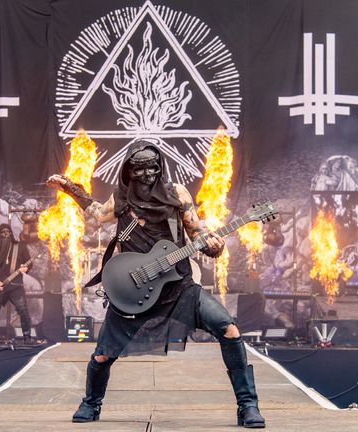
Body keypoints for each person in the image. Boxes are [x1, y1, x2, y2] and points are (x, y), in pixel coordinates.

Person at [46, 139, 266, 428]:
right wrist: (70, 188)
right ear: (128, 170)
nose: (146, 176)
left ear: (159, 167)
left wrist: (213, 246)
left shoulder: (177, 194)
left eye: (151, 169)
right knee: (101, 356)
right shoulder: (121, 199)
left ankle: (247, 406)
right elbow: (97, 214)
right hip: (134, 289)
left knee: (229, 329)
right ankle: (91, 403)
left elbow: (196, 231)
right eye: (139, 170)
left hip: (178, 287)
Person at [0, 223, 33, 344]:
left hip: (15, 286)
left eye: (7, 232)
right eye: (2, 233)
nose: (5, 235)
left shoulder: (20, 247)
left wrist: (25, 268)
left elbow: (29, 263)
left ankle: (27, 338)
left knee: (23, 311)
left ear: (11, 234)